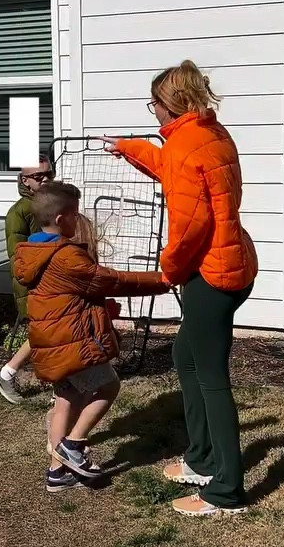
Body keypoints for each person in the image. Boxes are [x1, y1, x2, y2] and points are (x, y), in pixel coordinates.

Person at [106, 60, 258, 517]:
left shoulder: (185, 146)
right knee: (185, 356)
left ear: (169, 105)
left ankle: (226, 490)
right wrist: (129, 149)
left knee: (212, 378)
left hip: (210, 275)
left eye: (153, 104)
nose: (151, 111)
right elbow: (178, 171)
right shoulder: (209, 134)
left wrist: (168, 269)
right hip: (234, 263)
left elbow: (191, 225)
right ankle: (202, 458)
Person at [12, 180, 168, 493]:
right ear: (60, 219)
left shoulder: (30, 251)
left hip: (50, 341)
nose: (79, 220)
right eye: (75, 214)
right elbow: (110, 280)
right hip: (72, 342)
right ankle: (74, 444)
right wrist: (163, 279)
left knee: (66, 401)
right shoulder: (65, 257)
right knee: (109, 386)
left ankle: (57, 473)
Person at [0, 156, 54, 404]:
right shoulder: (18, 213)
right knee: (47, 331)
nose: (45, 179)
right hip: (34, 283)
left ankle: (8, 374)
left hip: (53, 279)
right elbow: (19, 257)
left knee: (49, 331)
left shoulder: (51, 203)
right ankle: (7, 373)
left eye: (49, 174)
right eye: (39, 177)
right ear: (25, 180)